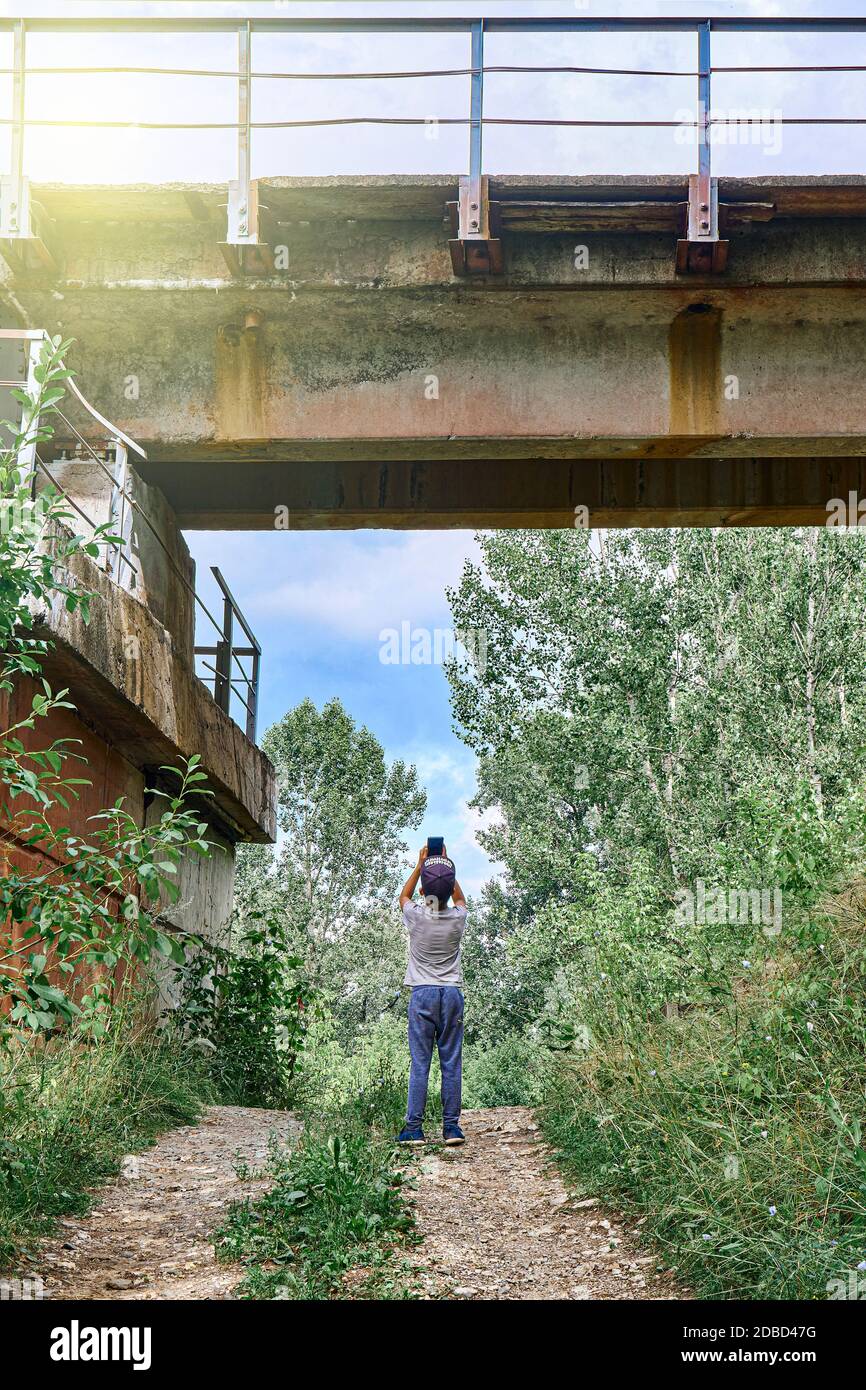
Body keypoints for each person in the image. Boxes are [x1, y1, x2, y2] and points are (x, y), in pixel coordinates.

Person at [395, 843, 468, 1146]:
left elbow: (403, 896)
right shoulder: (457, 918)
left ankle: (414, 1129)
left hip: (422, 994)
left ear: (424, 889)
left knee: (420, 1062)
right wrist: (446, 865)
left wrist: (420, 865)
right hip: (451, 995)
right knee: (451, 1062)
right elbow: (460, 898)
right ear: (449, 888)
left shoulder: (416, 916)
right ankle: (451, 1128)